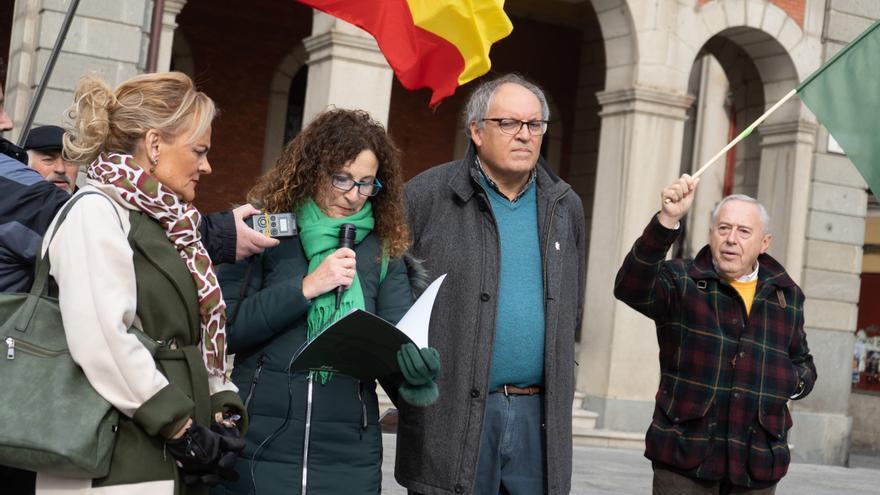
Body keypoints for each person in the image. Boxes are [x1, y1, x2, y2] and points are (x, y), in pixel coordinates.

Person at [35, 71, 252, 494]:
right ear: (154, 145)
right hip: (112, 462)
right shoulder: (95, 212)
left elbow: (191, 334)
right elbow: (102, 339)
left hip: (160, 456)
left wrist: (222, 406)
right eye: (200, 150)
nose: (208, 166)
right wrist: (181, 428)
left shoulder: (170, 224)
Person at [213, 108, 440, 495]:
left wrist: (414, 374)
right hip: (258, 445)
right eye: (343, 179)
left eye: (367, 183)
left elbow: (393, 346)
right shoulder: (262, 231)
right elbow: (226, 330)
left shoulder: (382, 250)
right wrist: (305, 289)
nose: (354, 196)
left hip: (349, 455)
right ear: (313, 170)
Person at [399, 74, 586, 494]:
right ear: (476, 131)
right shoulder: (427, 195)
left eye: (534, 125)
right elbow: (391, 293)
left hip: (537, 416)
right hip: (452, 416)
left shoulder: (565, 205)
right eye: (509, 123)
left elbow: (570, 305)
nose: (524, 135)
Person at [614, 174, 817, 494]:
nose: (731, 238)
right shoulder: (681, 280)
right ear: (711, 234)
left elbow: (802, 362)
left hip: (756, 463)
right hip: (685, 458)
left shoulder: (785, 295)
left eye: (743, 231)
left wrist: (789, 382)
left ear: (764, 243)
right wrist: (667, 220)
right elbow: (631, 287)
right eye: (724, 228)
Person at [24, 125, 80, 193]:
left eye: (69, 160)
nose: (61, 169)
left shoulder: (90, 203)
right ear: (25, 164)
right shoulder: (10, 201)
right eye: (49, 160)